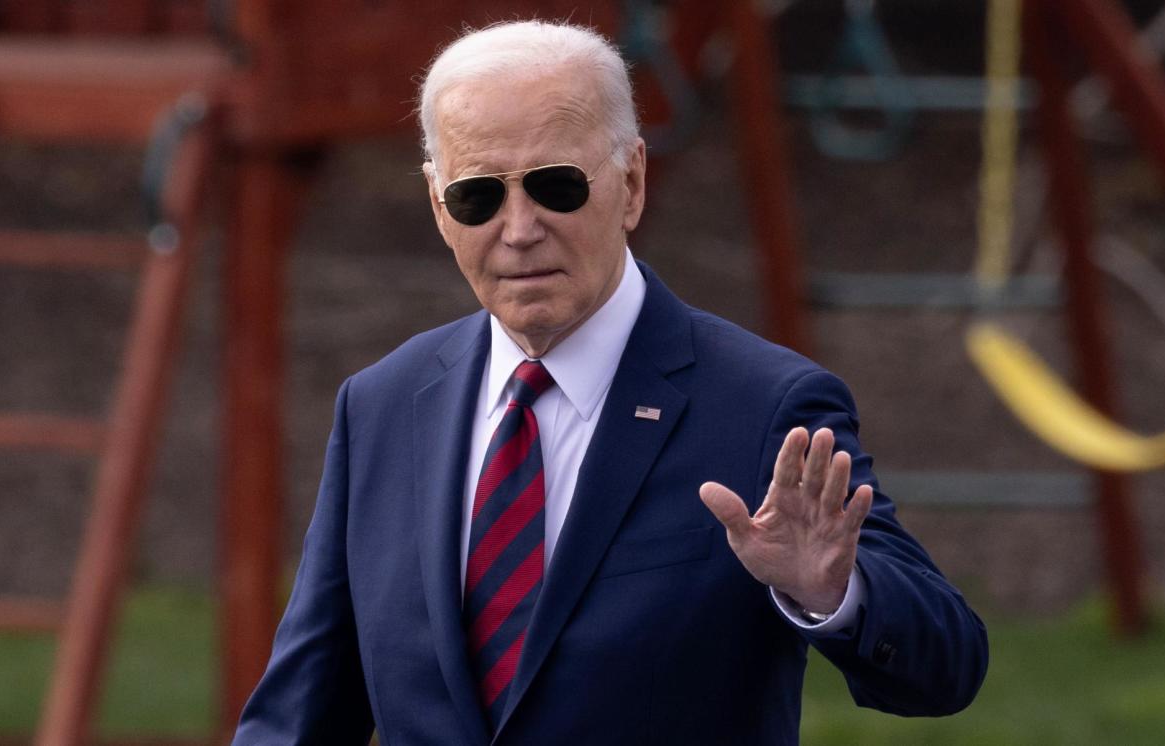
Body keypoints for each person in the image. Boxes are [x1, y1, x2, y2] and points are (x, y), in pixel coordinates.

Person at [234, 19, 987, 745]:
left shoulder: (763, 408)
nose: (519, 228)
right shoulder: (383, 407)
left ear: (630, 182)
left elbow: (946, 667)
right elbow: (303, 714)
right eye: (478, 196)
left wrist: (832, 593)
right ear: (439, 208)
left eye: (556, 186)